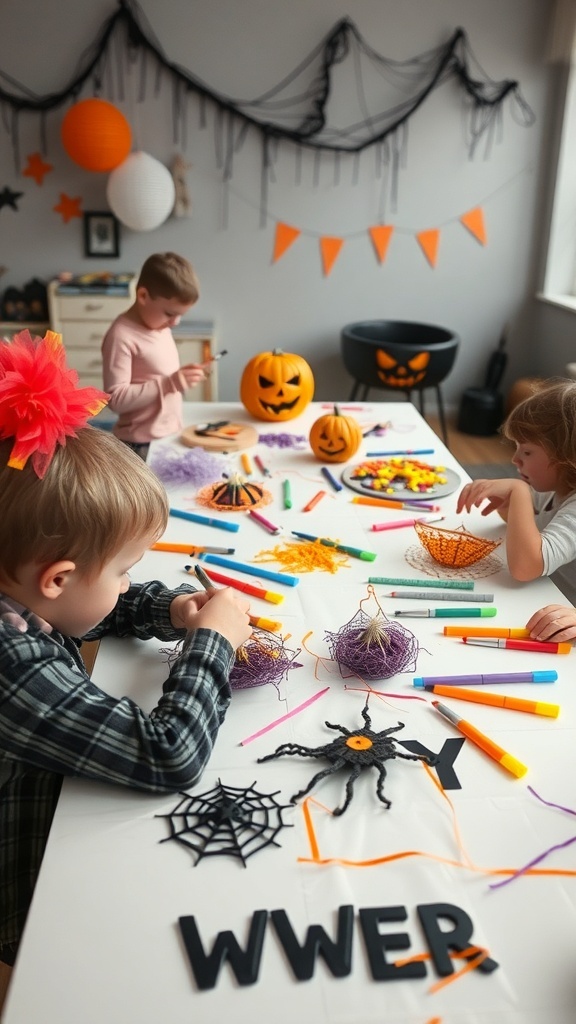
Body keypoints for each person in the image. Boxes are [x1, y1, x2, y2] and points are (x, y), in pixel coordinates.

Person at [0, 330, 251, 971]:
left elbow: (81, 615)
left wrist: (166, 608)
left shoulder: (23, 598)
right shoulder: (11, 665)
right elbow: (169, 755)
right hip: (30, 883)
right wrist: (211, 644)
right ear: (55, 577)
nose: (127, 584)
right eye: (123, 571)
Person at [456, 378, 576, 611]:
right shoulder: (556, 488)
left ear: (565, 456)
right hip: (545, 595)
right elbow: (525, 524)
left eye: (527, 451)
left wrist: (518, 491)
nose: (515, 459)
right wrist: (506, 505)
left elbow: (525, 567)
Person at [101, 252, 208, 457]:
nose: (175, 323)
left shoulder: (159, 325)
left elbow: (156, 373)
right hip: (139, 445)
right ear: (143, 296)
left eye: (180, 315)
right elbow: (115, 398)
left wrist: (180, 377)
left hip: (167, 436)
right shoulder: (121, 336)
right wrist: (170, 383)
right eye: (170, 313)